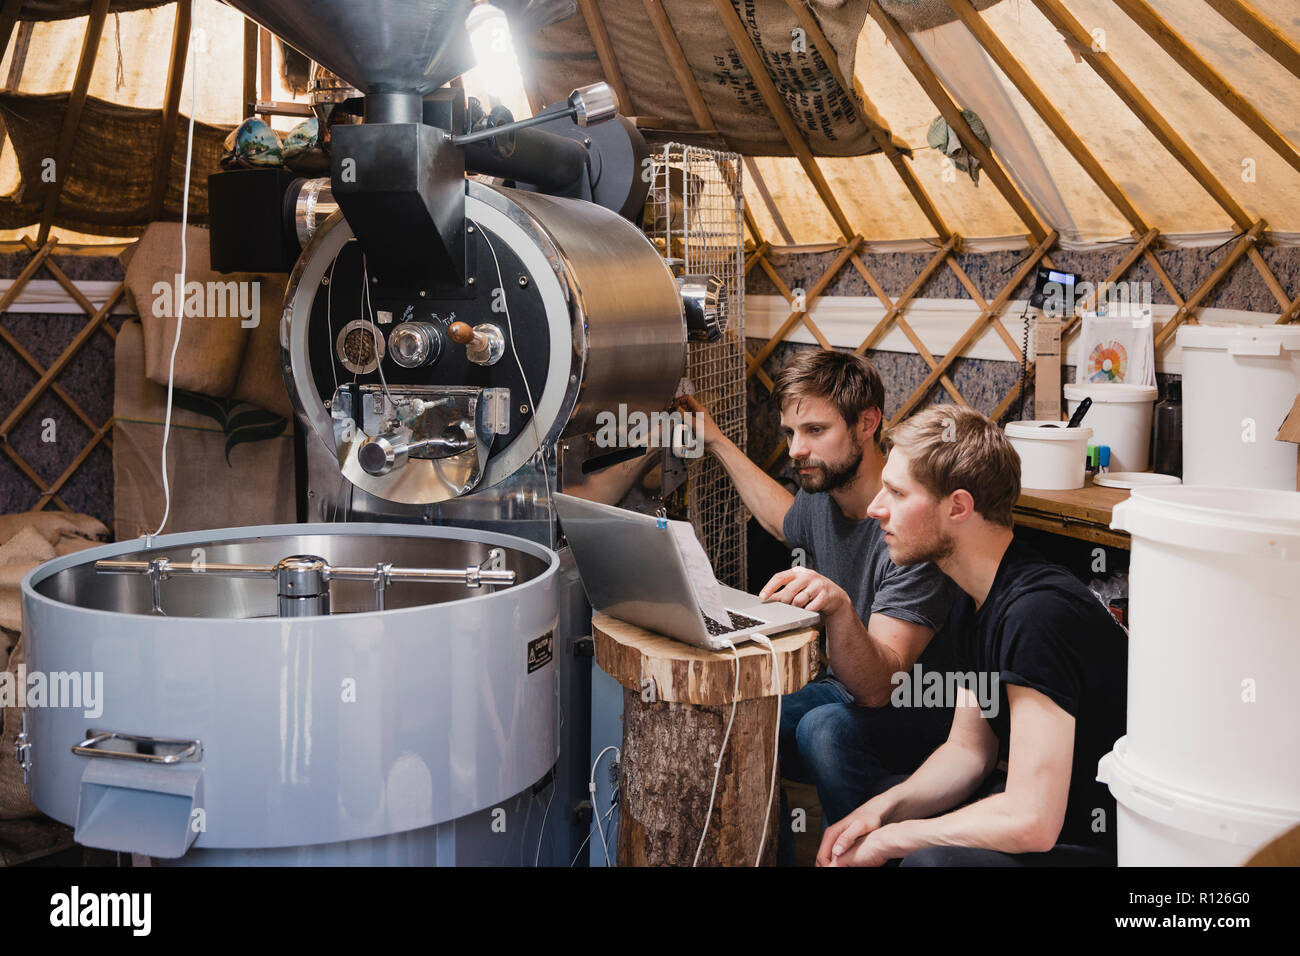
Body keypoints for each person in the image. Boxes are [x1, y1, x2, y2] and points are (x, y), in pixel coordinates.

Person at [673, 350, 959, 853]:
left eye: (814, 430)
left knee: (823, 728)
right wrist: (715, 440)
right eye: (790, 433)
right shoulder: (823, 491)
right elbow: (782, 519)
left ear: (867, 423)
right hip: (841, 684)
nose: (796, 449)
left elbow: (879, 687)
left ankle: (864, 857)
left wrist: (838, 607)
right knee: (743, 709)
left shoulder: (908, 521)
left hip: (922, 704)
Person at [818, 404, 1127, 867]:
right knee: (884, 805)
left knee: (930, 862)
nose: (875, 508)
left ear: (959, 506)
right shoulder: (973, 595)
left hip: (1104, 842)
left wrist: (896, 840)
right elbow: (969, 749)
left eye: (898, 493)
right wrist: (880, 814)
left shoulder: (1036, 614)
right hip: (1054, 822)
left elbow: (1031, 820)